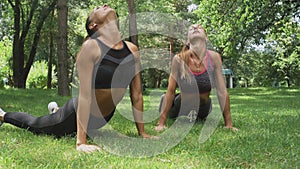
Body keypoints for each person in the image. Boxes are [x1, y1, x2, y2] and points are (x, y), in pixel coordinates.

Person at [0, 4, 152, 153]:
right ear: (93, 25)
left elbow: (137, 94)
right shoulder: (91, 48)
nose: (104, 4)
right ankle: (3, 115)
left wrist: (142, 133)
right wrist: (81, 142)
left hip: (104, 117)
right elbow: (85, 97)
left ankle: (55, 110)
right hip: (75, 112)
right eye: (97, 8)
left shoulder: (132, 50)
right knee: (36, 125)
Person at [155, 24, 238, 131]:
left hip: (203, 108)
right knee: (172, 103)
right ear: (187, 41)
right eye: (191, 28)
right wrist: (161, 124)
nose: (195, 28)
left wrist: (229, 124)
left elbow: (222, 91)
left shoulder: (214, 57)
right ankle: (164, 102)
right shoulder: (178, 59)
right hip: (179, 106)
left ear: (206, 38)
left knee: (201, 113)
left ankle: (196, 114)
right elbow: (170, 91)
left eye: (199, 27)